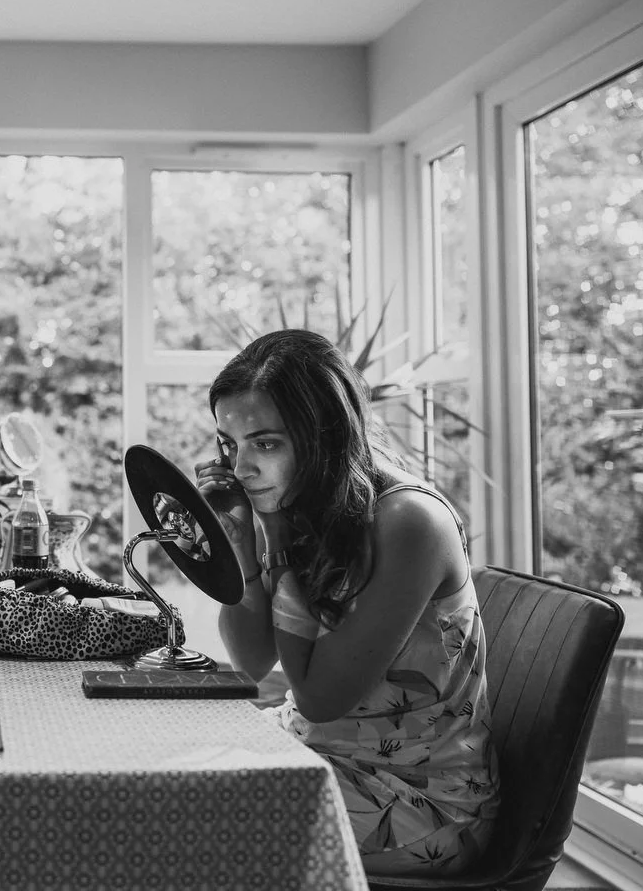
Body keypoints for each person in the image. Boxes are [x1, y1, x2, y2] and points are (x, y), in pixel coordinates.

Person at [196, 329, 497, 876]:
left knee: (189, 818)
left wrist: (278, 539)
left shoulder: (409, 522)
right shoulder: (308, 504)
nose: (240, 470)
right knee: (158, 766)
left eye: (265, 443)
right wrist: (241, 544)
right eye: (230, 444)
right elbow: (253, 661)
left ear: (323, 437)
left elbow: (318, 699)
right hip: (321, 757)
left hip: (417, 802)